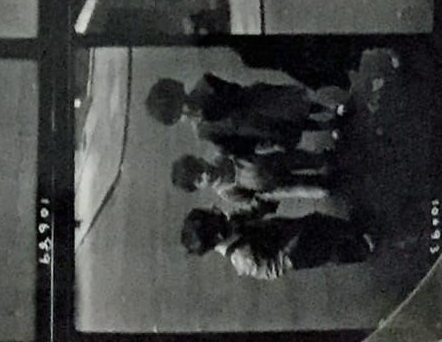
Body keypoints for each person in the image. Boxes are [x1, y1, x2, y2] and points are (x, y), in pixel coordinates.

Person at [144, 73, 340, 151]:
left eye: (183, 101)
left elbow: (235, 91)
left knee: (295, 106)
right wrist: (262, 146)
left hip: (257, 101)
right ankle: (327, 125)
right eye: (181, 113)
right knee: (290, 128)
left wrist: (215, 107)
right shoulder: (204, 131)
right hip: (254, 128)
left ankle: (330, 109)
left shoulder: (205, 84)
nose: (187, 109)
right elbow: (233, 144)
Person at [181, 207, 375, 279]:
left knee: (317, 222)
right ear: (218, 237)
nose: (217, 211)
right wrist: (289, 252)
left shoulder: (229, 226)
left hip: (282, 231)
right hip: (291, 253)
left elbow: (250, 216)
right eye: (215, 217)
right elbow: (269, 270)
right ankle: (361, 250)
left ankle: (354, 230)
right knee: (326, 251)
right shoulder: (241, 258)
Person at [170, 151, 335, 208]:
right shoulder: (225, 192)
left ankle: (323, 160)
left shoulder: (222, 155)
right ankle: (325, 186)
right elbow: (249, 200)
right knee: (300, 188)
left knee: (298, 159)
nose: (205, 174)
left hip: (271, 162)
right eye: (200, 179)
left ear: (200, 159)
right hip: (269, 186)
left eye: (201, 168)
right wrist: (263, 198)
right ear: (200, 188)